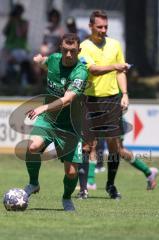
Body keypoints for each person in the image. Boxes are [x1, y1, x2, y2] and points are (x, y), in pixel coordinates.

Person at [77, 10, 158, 200]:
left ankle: (110, 185)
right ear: (91, 27)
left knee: (114, 147)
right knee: (88, 145)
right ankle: (85, 187)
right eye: (99, 27)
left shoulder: (115, 45)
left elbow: (121, 72)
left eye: (106, 27)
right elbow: (94, 70)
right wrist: (115, 67)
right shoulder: (84, 47)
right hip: (90, 101)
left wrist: (125, 94)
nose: (104, 30)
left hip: (112, 100)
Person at [24, 33, 88, 211]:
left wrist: (43, 108)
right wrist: (38, 60)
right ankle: (33, 183)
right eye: (66, 51)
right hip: (49, 120)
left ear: (79, 51)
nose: (69, 55)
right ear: (60, 48)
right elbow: (43, 61)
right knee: (32, 147)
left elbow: (68, 99)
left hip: (70, 126)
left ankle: (67, 198)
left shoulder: (80, 72)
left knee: (71, 172)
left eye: (73, 52)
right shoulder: (54, 59)